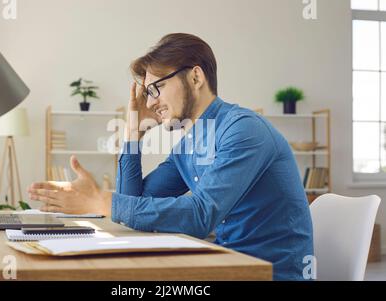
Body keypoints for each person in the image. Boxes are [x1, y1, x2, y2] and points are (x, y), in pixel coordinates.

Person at [28, 33, 314, 280]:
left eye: (157, 87)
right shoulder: (189, 142)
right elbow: (136, 203)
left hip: (269, 274)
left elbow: (200, 215)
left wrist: (100, 200)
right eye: (147, 92)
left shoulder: (243, 130)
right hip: (229, 265)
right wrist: (134, 132)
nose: (150, 101)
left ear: (195, 76)